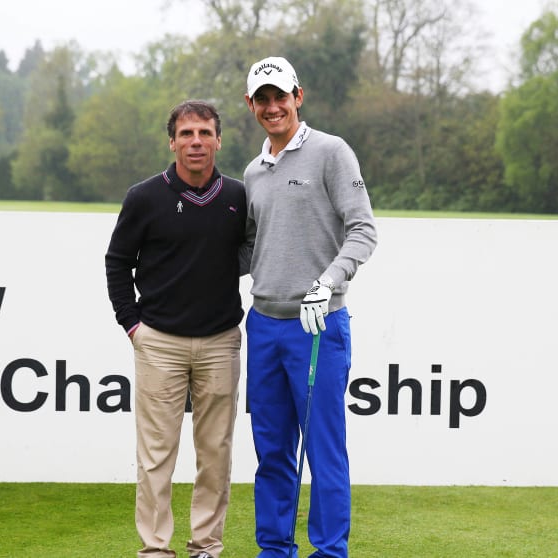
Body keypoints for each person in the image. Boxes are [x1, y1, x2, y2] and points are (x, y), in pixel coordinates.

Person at [241, 56, 378, 557]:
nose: (273, 106)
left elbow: (363, 230)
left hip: (317, 326)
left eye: (281, 96)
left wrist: (330, 281)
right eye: (263, 99)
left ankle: (328, 551)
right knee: (272, 450)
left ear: (299, 96)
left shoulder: (330, 152)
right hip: (263, 326)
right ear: (251, 106)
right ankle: (275, 549)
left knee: (323, 449)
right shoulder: (254, 170)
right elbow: (249, 248)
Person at [105, 100, 247, 558]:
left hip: (221, 340)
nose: (196, 142)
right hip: (159, 342)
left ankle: (205, 545)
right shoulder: (144, 197)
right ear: (172, 142)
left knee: (215, 454)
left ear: (218, 140)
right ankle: (155, 549)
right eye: (186, 134)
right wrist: (132, 324)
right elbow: (117, 263)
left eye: (205, 133)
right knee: (155, 456)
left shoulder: (237, 197)